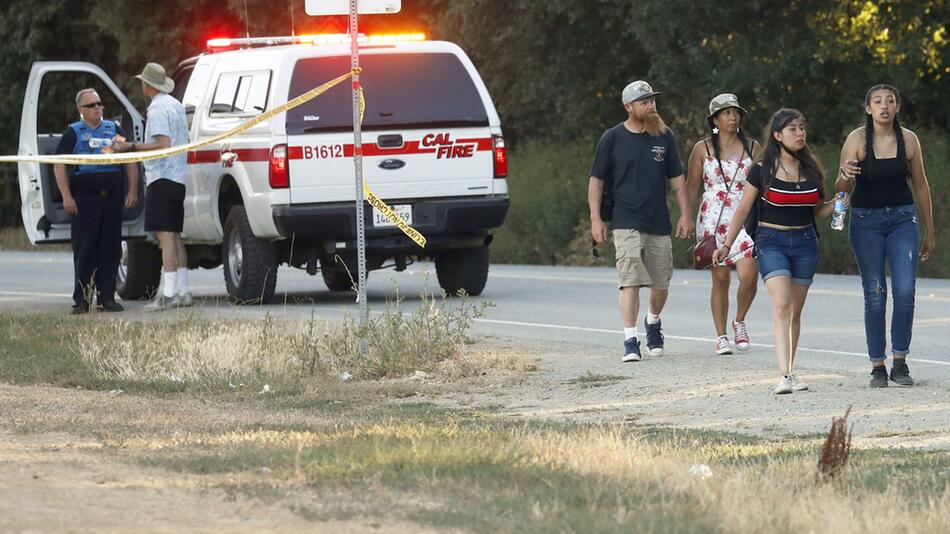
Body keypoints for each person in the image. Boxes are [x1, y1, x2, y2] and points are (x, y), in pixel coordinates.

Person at [713, 109, 835, 394]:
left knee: (795, 311)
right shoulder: (761, 169)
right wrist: (727, 244)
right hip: (771, 242)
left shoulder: (812, 170)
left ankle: (791, 371)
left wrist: (843, 201)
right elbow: (742, 209)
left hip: (806, 243)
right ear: (778, 136)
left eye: (802, 127)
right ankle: (784, 375)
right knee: (782, 304)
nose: (800, 133)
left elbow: (818, 211)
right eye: (792, 129)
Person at [836, 84, 936, 388]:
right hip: (866, 221)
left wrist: (930, 231)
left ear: (897, 107)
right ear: (868, 108)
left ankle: (900, 362)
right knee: (876, 293)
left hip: (903, 220)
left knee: (905, 291)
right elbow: (841, 189)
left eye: (890, 101)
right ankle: (877, 365)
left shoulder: (909, 140)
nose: (884, 106)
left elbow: (921, 185)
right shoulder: (856, 140)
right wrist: (843, 181)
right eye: (877, 101)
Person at [589, 80, 693, 363]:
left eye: (652, 100)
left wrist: (685, 214)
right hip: (625, 219)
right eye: (644, 101)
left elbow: (677, 180)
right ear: (629, 107)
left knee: (661, 284)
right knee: (630, 280)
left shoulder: (664, 136)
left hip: (657, 220)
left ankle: (654, 321)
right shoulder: (612, 138)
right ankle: (630, 339)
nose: (650, 105)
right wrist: (596, 218)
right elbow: (596, 181)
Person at [686, 93, 760, 355]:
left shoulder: (753, 147)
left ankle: (739, 320)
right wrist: (685, 216)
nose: (732, 117)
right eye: (726, 112)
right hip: (712, 219)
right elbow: (692, 187)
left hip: (745, 219)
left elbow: (763, 185)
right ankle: (721, 336)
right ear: (715, 118)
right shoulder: (702, 149)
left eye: (736, 112)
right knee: (720, 280)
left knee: (749, 275)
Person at [53, 88, 139, 314]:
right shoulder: (73, 133)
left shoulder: (113, 129)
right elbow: (58, 164)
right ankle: (82, 299)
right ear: (81, 110)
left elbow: (130, 159)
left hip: (111, 198)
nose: (98, 108)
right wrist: (66, 196)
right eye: (92, 105)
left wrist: (132, 190)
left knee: (111, 249)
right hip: (85, 200)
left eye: (99, 104)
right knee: (85, 249)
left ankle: (106, 298)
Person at [113, 63, 191, 311]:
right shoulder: (176, 105)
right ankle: (182, 290)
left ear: (146, 84)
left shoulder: (157, 109)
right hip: (178, 177)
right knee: (175, 235)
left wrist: (131, 147)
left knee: (164, 236)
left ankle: (167, 295)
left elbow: (162, 143)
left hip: (162, 177)